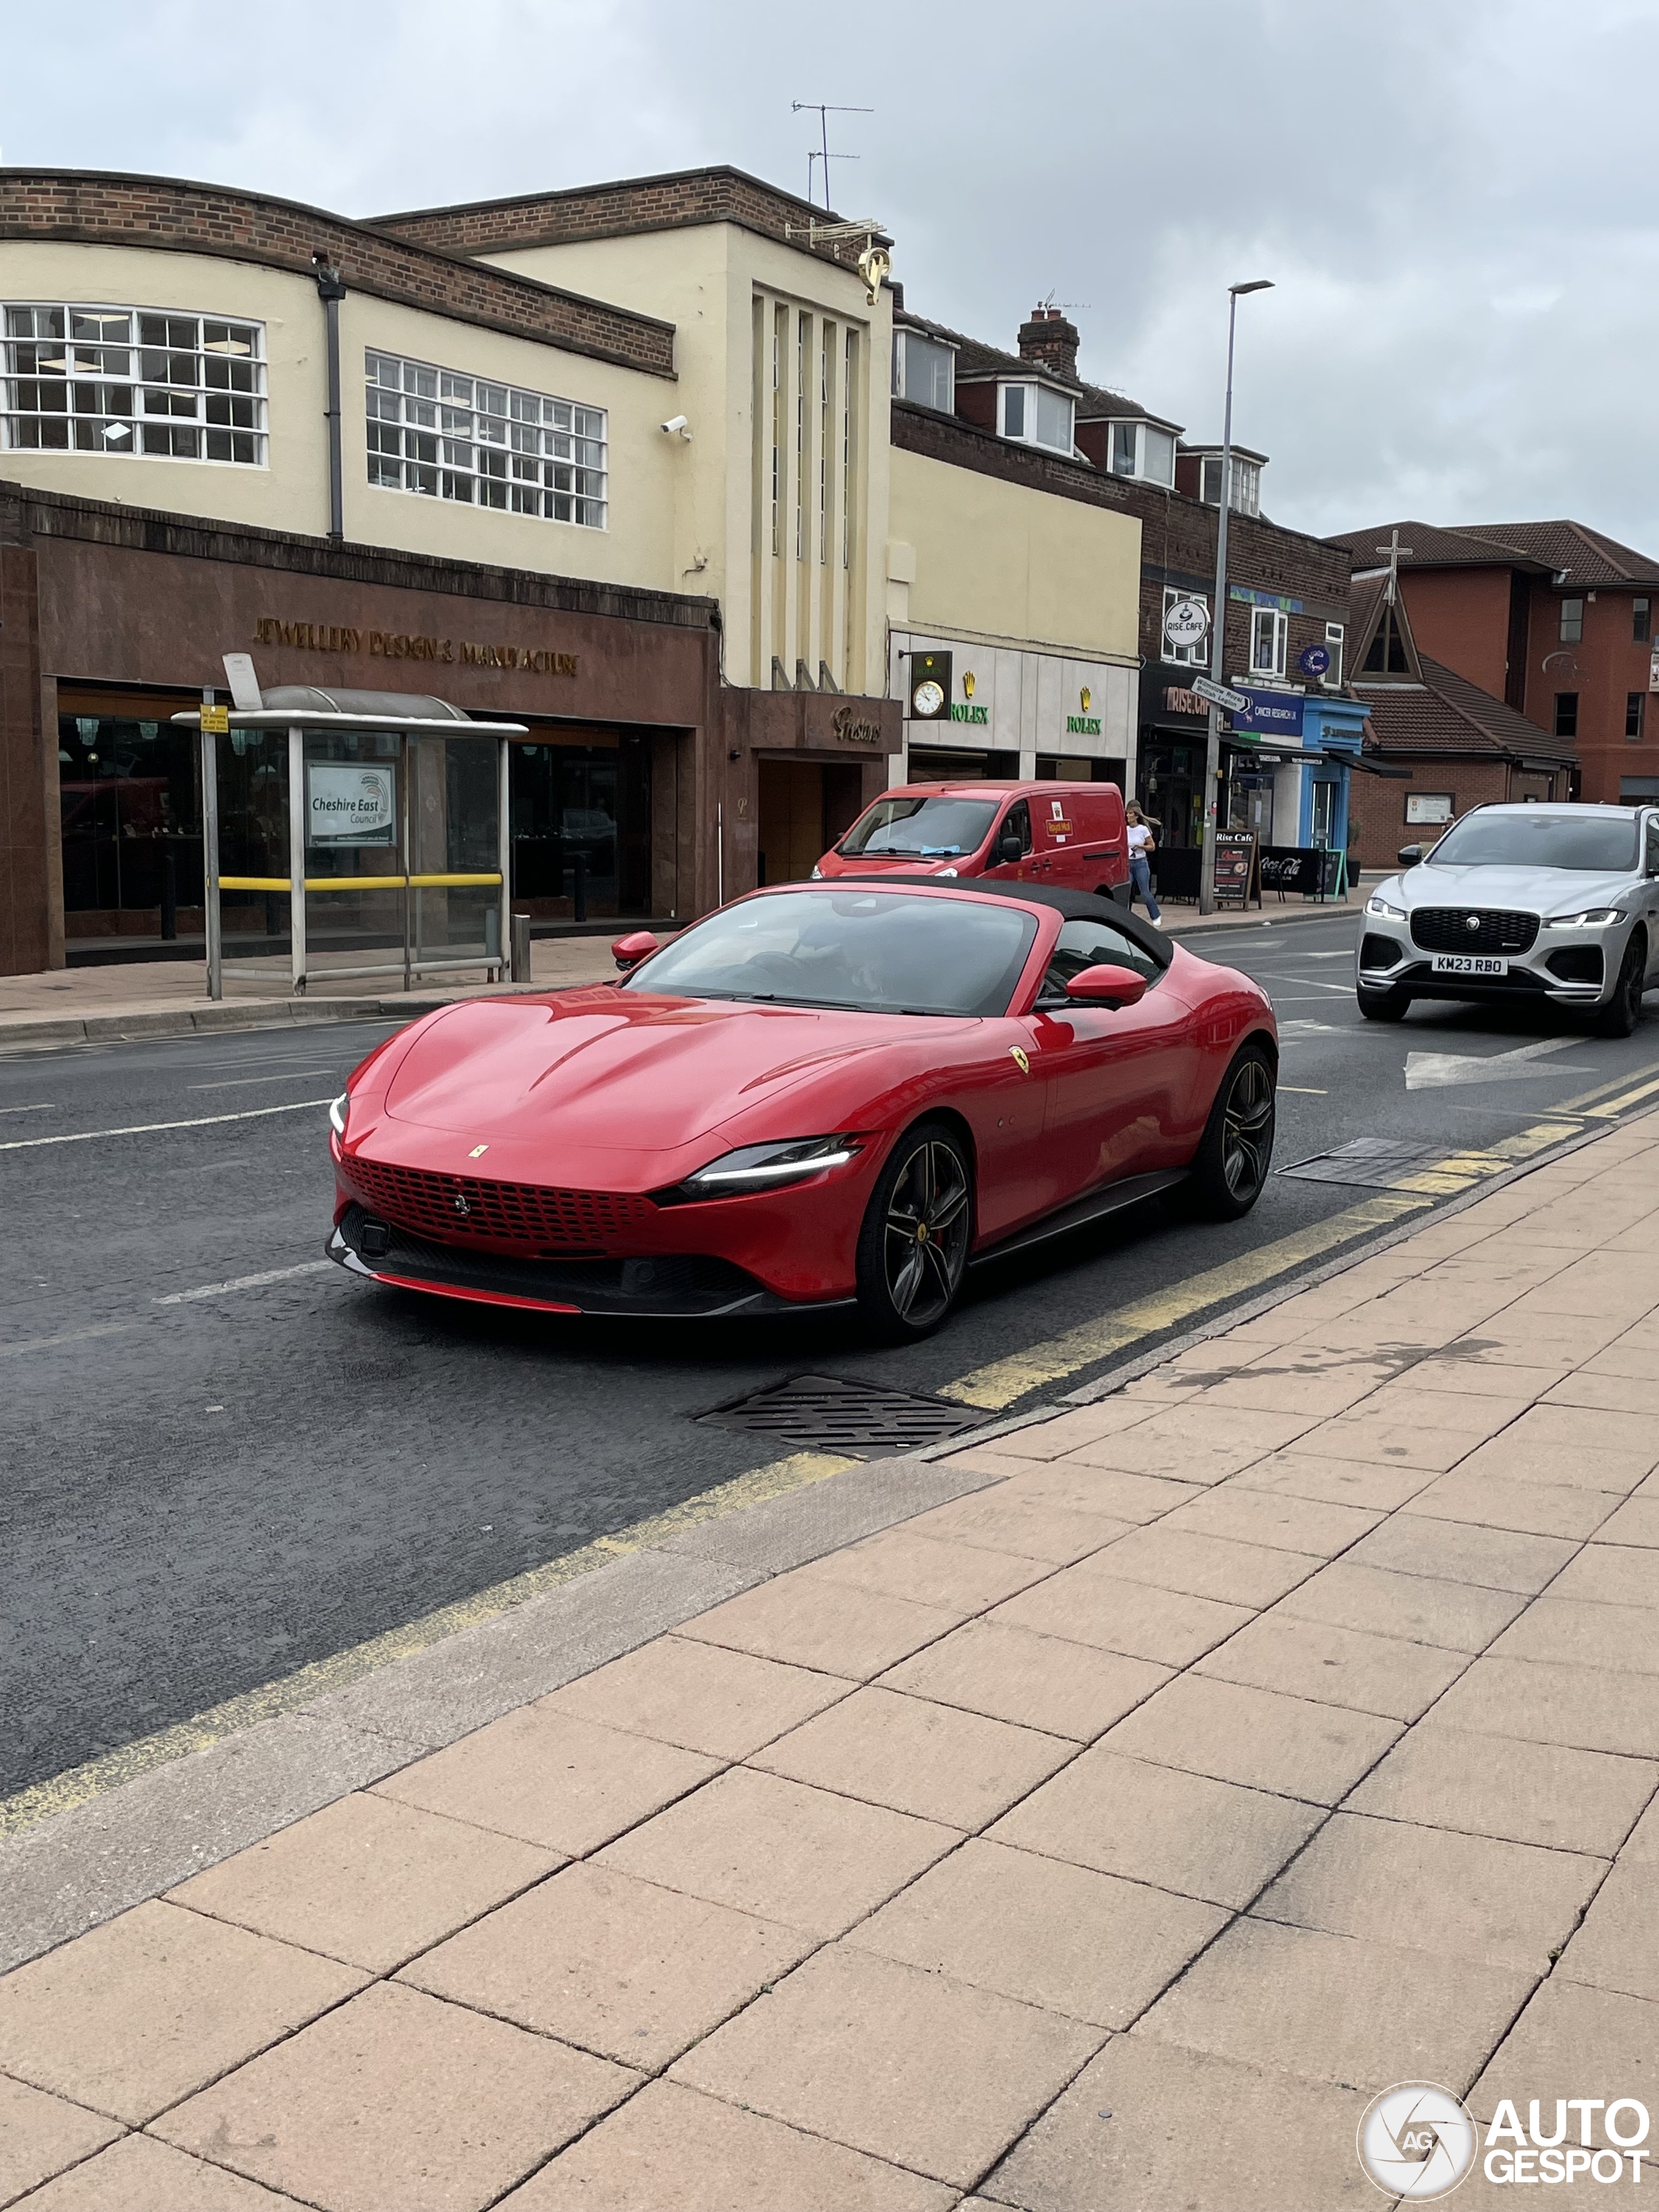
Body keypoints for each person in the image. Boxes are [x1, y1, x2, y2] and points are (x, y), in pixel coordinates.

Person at [1125, 802, 1162, 924]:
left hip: (1141, 863)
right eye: (1127, 813)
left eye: (1130, 813)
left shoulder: (1143, 829)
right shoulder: (1125, 830)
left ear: (1136, 815)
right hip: (1128, 863)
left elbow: (1152, 847)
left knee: (1145, 892)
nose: (1128, 816)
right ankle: (1126, 916)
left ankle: (1156, 915)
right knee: (1127, 890)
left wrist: (1141, 847)